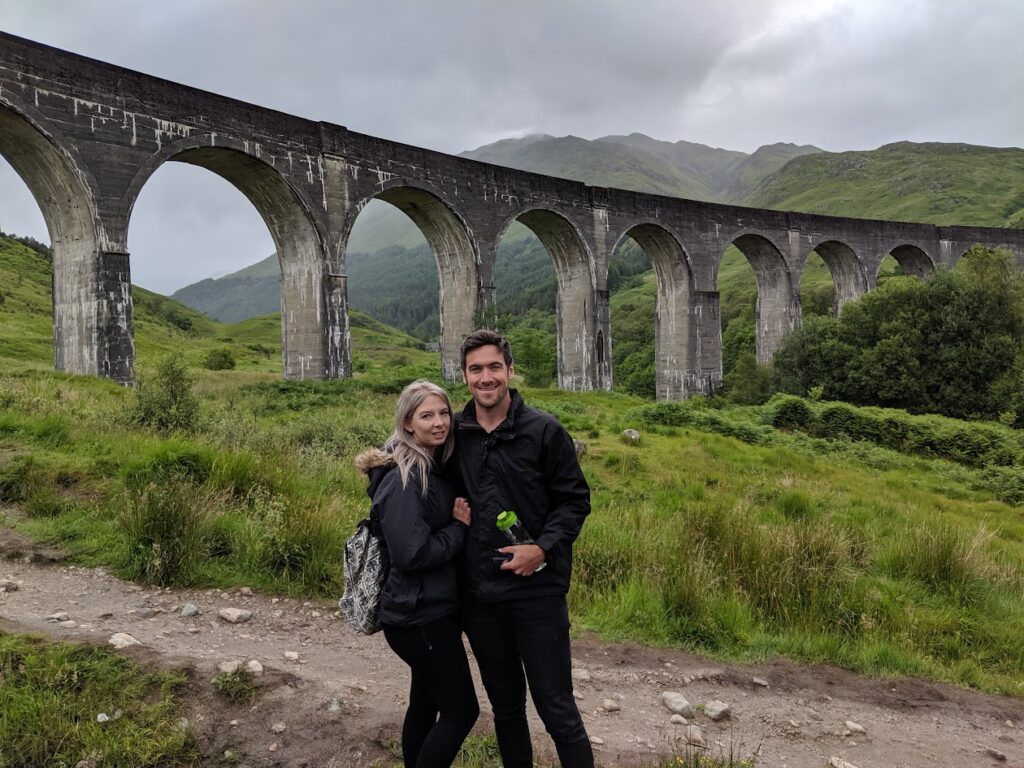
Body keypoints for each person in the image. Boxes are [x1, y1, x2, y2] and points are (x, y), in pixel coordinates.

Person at [453, 329, 594, 768]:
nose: (486, 377)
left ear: (510, 372)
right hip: (481, 596)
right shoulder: (455, 433)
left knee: (557, 710)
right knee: (507, 709)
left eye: (494, 367)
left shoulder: (545, 431)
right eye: (476, 369)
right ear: (464, 376)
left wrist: (543, 548)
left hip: (537, 593)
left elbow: (575, 501)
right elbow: (410, 460)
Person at [355, 379, 479, 768]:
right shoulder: (406, 478)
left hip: (423, 611)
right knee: (462, 712)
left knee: (424, 704)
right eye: (427, 415)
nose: (440, 422)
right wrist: (458, 529)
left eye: (444, 413)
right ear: (408, 422)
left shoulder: (428, 464)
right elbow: (412, 554)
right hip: (418, 617)